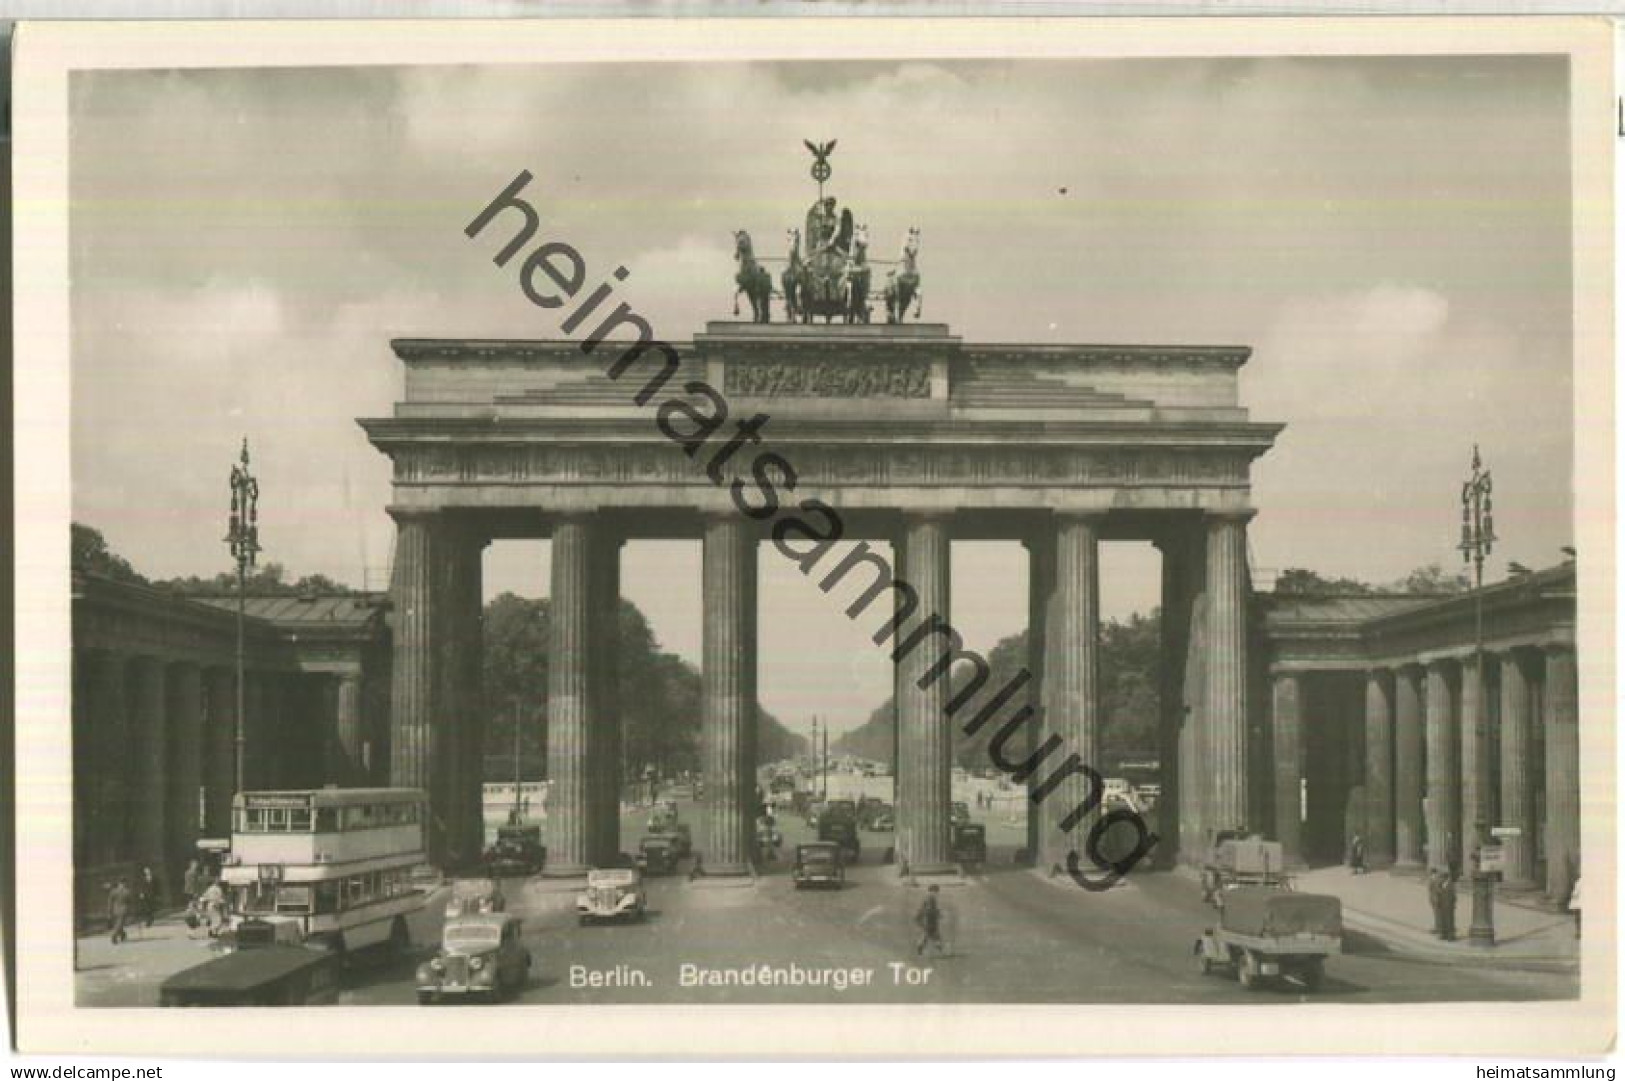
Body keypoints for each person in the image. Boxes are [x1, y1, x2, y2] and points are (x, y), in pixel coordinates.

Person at [914, 885, 947, 958]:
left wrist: (938, 913)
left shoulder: (928, 898)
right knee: (931, 935)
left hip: (928, 919)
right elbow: (930, 909)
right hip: (929, 920)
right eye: (937, 891)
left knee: (930, 935)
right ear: (933, 891)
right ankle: (940, 951)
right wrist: (938, 914)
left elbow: (924, 909)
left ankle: (939, 950)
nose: (937, 893)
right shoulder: (931, 898)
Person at [107, 879, 132, 945]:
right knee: (119, 924)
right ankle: (114, 936)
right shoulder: (127, 892)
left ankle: (123, 935)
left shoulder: (114, 891)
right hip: (123, 910)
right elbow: (130, 902)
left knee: (119, 923)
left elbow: (110, 902)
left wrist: (110, 911)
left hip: (115, 910)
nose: (123, 885)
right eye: (123, 883)